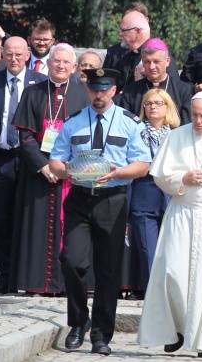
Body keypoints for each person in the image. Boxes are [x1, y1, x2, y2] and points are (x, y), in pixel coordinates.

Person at [48, 68, 151, 356]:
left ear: (114, 90)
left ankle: (101, 334)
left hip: (112, 200)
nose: (99, 95)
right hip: (80, 198)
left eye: (104, 89)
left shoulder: (130, 123)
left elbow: (142, 164)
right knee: (72, 262)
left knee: (108, 271)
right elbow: (56, 160)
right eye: (94, 89)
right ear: (88, 91)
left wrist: (120, 171)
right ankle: (79, 322)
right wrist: (67, 171)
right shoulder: (73, 122)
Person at [137, 91, 202, 358]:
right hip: (181, 212)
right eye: (194, 115)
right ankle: (177, 329)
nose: (198, 121)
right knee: (173, 274)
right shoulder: (176, 135)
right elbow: (159, 176)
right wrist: (183, 178)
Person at [10, 43, 89, 295]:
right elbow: (25, 136)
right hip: (38, 173)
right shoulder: (32, 93)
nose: (61, 66)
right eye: (57, 61)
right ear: (49, 63)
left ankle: (66, 284)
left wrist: (69, 167)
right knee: (37, 229)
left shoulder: (83, 95)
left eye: (66, 62)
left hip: (71, 174)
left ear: (74, 67)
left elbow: (88, 135)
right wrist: (43, 166)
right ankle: (36, 283)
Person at [0, 37, 47, 294]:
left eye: (18, 54)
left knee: (28, 218)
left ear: (28, 55)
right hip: (1, 159)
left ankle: (30, 277)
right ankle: (6, 277)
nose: (13, 59)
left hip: (31, 161)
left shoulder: (40, 83)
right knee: (2, 221)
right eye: (9, 55)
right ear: (2, 55)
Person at [128, 89, 180, 293]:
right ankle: (154, 297)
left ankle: (173, 296)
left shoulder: (178, 134)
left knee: (173, 252)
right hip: (143, 197)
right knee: (148, 252)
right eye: (148, 103)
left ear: (168, 107)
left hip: (172, 198)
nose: (153, 107)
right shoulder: (135, 132)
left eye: (158, 103)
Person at [118, 38, 193, 125]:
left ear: (167, 61)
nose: (151, 67)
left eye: (156, 61)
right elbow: (125, 124)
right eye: (147, 62)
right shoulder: (130, 92)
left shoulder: (184, 90)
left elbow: (187, 125)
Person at [107, 12, 180, 92]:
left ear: (137, 32)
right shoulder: (127, 58)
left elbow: (173, 88)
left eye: (123, 30)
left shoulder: (160, 53)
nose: (120, 34)